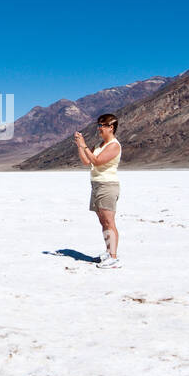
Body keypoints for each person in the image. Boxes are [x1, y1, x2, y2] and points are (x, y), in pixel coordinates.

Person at [73, 114, 122, 268]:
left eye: (102, 125)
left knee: (109, 221)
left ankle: (113, 257)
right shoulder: (100, 145)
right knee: (103, 222)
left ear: (111, 127)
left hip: (107, 186)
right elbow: (87, 161)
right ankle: (108, 252)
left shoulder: (114, 145)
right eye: (98, 125)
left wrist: (85, 145)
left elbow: (97, 161)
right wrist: (80, 146)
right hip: (96, 185)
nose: (99, 128)